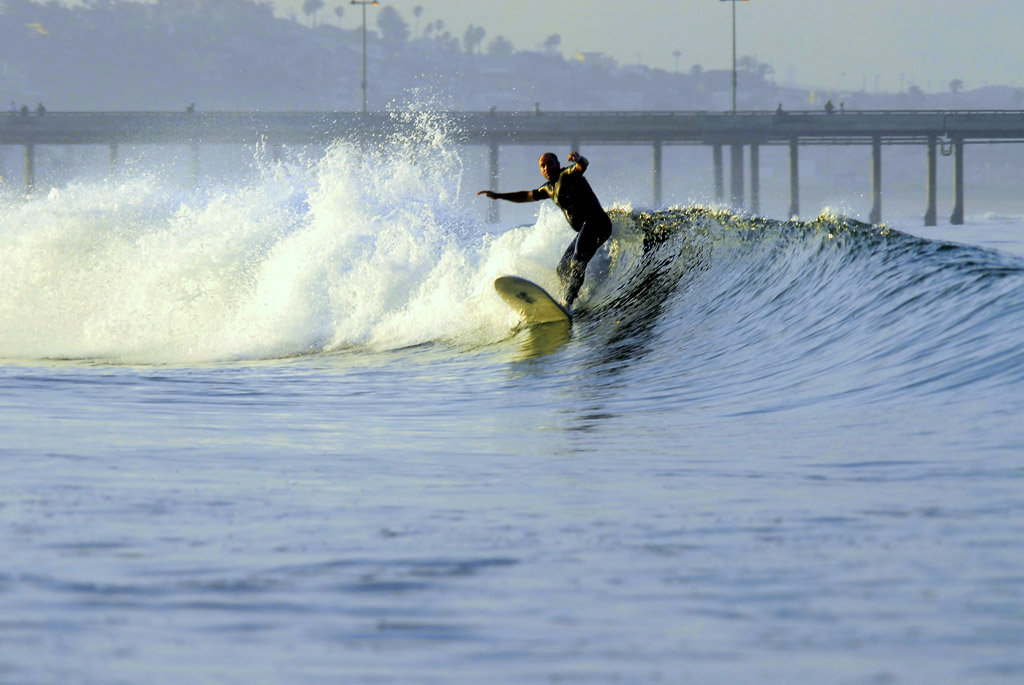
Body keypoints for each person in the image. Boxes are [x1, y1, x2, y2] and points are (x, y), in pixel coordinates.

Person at [478, 151, 612, 309]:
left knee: (577, 259)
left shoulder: (567, 175)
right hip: (587, 227)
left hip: (597, 222)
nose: (546, 167)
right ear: (541, 170)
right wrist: (499, 196)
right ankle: (570, 298)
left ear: (557, 164)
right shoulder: (548, 188)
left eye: (550, 163)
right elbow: (525, 196)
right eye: (543, 165)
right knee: (562, 268)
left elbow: (582, 165)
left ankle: (567, 302)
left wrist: (579, 159)